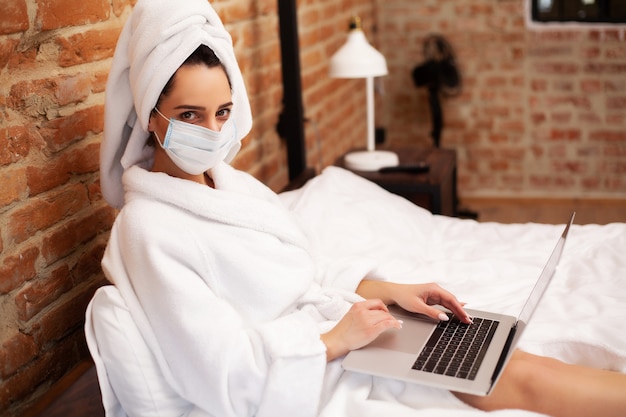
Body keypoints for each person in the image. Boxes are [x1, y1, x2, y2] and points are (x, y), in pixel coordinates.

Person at [87, 0, 626, 416]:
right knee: (516, 378)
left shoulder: (229, 184)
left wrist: (388, 292)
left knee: (513, 362)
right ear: (151, 114)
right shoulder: (148, 230)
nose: (212, 132)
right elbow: (220, 371)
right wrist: (333, 340)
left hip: (347, 336)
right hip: (312, 370)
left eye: (222, 112)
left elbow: (301, 273)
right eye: (190, 114)